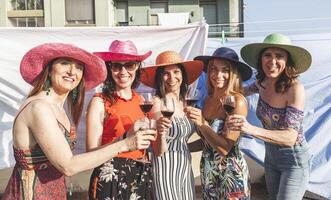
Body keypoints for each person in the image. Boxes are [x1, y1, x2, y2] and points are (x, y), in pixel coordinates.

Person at [2, 43, 155, 200]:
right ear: (49, 69)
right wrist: (125, 144)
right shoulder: (39, 107)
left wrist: (125, 138)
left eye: (78, 67)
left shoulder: (57, 108)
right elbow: (68, 165)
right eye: (65, 63)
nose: (71, 71)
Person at [227, 33, 312, 200]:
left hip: (293, 159)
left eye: (279, 56)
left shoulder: (294, 89)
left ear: (287, 61)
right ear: (261, 59)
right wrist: (223, 94)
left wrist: (249, 128)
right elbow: (241, 93)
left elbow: (290, 137)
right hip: (270, 157)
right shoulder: (262, 83)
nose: (272, 62)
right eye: (268, 55)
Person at [87, 40, 155, 200]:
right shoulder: (100, 101)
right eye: (117, 66)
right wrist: (126, 137)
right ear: (109, 68)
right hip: (110, 174)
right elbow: (91, 153)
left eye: (129, 65)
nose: (123, 71)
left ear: (137, 66)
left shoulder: (142, 102)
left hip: (140, 174)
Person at [185, 47, 253, 199]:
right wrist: (183, 147)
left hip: (230, 174)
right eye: (214, 69)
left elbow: (224, 148)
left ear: (233, 73)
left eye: (225, 70)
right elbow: (208, 143)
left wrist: (202, 123)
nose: (218, 75)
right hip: (208, 171)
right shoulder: (208, 100)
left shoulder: (237, 101)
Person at [140, 50, 204, 199]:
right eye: (166, 73)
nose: (172, 78)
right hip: (165, 167)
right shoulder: (157, 103)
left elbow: (185, 141)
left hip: (185, 166)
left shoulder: (185, 103)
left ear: (182, 75)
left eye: (176, 71)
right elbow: (157, 150)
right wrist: (161, 134)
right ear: (159, 78)